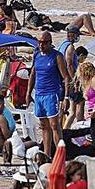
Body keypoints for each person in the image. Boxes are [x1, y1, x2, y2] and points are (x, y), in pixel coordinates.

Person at [27, 30, 69, 158]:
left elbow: (66, 77)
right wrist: (28, 92)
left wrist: (66, 97)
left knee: (55, 125)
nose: (41, 45)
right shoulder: (37, 55)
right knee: (44, 126)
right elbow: (33, 74)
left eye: (44, 43)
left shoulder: (57, 56)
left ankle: (60, 155)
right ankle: (47, 155)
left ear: (50, 43)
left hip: (52, 93)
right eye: (39, 42)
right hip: (39, 94)